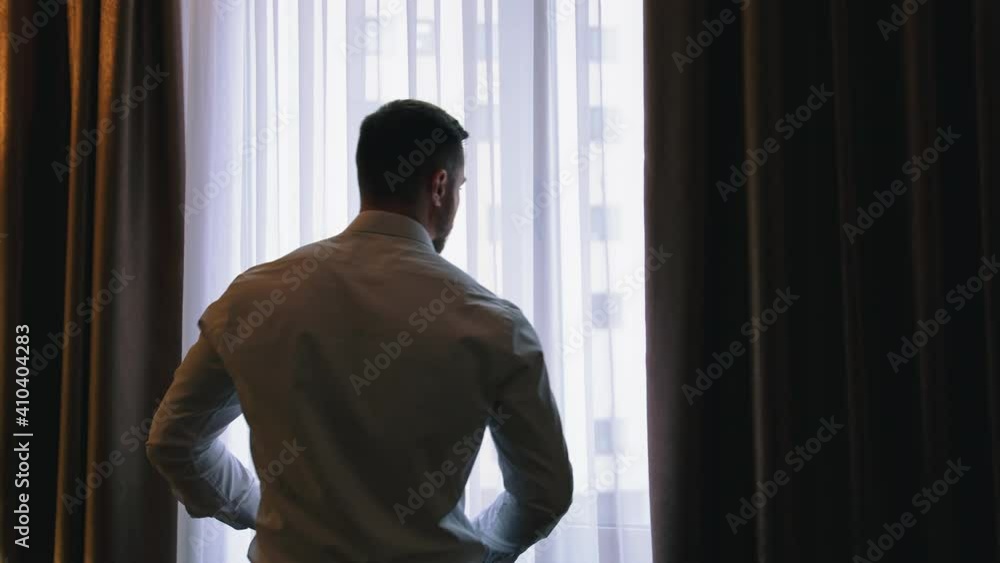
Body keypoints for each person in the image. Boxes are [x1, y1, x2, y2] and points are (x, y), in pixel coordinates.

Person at [147, 99, 573, 563]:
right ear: (439, 186)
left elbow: (175, 442)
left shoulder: (253, 299)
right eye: (459, 187)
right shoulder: (493, 324)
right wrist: (475, 552)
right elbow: (543, 491)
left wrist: (262, 512)